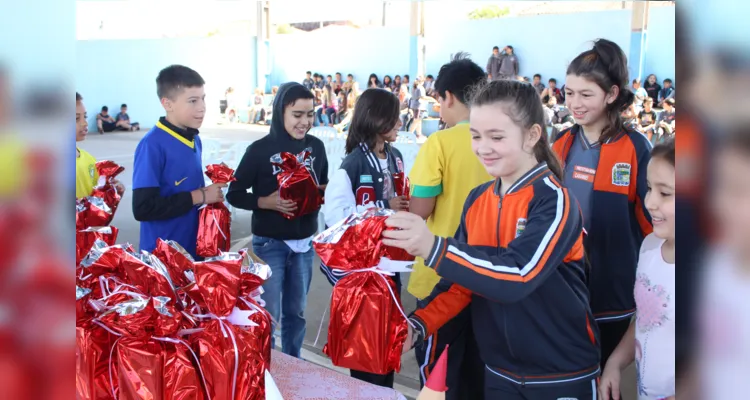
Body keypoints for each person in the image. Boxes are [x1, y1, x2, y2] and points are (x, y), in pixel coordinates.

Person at [385, 80, 599, 399]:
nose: (483, 147)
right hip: (499, 371)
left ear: (532, 135)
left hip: (560, 374)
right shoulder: (478, 199)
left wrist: (433, 247)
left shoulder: (554, 200)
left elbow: (518, 276)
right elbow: (460, 285)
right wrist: (417, 325)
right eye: (476, 135)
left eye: (496, 136)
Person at [554, 39, 653, 371]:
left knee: (605, 380)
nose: (574, 104)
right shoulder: (562, 144)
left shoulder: (636, 148)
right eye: (569, 93)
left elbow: (654, 223)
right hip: (564, 289)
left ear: (611, 94)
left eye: (586, 94)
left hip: (614, 295)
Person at [406, 53, 491, 400]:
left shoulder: (440, 142)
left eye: (438, 100)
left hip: (440, 275)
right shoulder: (499, 138)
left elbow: (420, 211)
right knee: (478, 373)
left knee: (438, 375)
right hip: (490, 275)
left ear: (449, 97)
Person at [226, 82, 328, 358]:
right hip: (270, 244)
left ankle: (293, 364)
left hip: (305, 246)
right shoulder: (260, 150)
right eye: (297, 114)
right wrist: (265, 202)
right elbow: (234, 193)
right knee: (267, 313)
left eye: (310, 114)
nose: (305, 122)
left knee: (297, 312)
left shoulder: (316, 147)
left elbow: (324, 184)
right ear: (280, 111)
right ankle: (266, 371)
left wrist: (322, 194)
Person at [320, 88, 408, 387]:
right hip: (363, 278)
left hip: (390, 271)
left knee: (387, 346)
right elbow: (336, 217)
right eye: (395, 117)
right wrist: (384, 208)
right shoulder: (353, 165)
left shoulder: (395, 158)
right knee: (366, 355)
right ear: (378, 120)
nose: (400, 123)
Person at [599, 140, 675, 400]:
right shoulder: (650, 247)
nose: (650, 202)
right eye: (649, 188)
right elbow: (648, 320)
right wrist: (615, 362)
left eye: (666, 193)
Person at [132, 65, 225, 258]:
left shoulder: (194, 138)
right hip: (163, 258)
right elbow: (143, 208)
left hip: (192, 250)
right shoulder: (152, 145)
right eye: (192, 100)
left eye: (203, 98)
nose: (202, 107)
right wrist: (199, 196)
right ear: (167, 104)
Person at [76, 93, 125, 199]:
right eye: (76, 119)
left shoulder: (89, 160)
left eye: (85, 117)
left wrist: (110, 195)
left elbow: (93, 206)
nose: (84, 123)